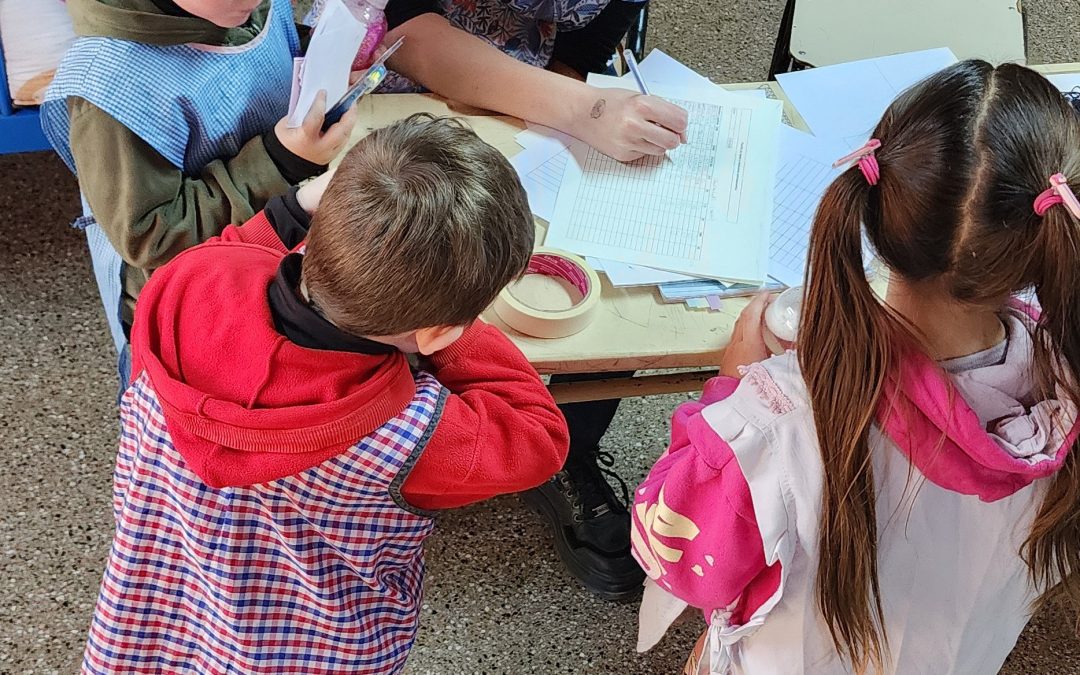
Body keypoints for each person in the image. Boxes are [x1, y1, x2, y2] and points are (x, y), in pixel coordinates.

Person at [630, 60, 1080, 674]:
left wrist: (730, 391)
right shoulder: (1066, 378)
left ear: (874, 205)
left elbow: (679, 559)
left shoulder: (771, 428)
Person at [81, 114, 570, 674]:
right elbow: (538, 437)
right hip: (311, 647)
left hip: (157, 608)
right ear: (437, 332)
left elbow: (228, 254)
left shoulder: (182, 285)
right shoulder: (413, 432)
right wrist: (458, 332)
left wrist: (291, 210)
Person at [332, 0, 685, 600]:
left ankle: (572, 447)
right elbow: (410, 32)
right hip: (409, 104)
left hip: (544, 106)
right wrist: (584, 109)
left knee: (617, 277)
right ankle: (393, 440)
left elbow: (596, 34)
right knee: (406, 273)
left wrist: (569, 92)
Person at [41, 0, 356, 386]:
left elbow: (264, 55)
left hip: (271, 268)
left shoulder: (238, 8)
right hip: (193, 327)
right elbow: (153, 236)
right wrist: (281, 161)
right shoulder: (112, 79)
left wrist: (321, 58)